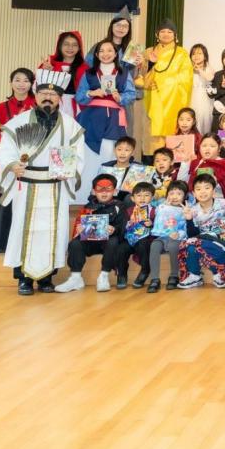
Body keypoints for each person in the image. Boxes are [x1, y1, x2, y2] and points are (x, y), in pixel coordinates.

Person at [0, 68, 84, 295]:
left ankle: (46, 278)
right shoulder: (18, 122)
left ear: (60, 98)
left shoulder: (70, 125)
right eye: (43, 93)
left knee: (53, 231)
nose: (48, 97)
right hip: (27, 185)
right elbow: (6, 150)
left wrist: (69, 170)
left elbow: (78, 154)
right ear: (35, 95)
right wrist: (12, 165)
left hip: (55, 186)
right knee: (23, 230)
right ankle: (23, 279)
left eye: (53, 94)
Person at [0, 67, 37, 252]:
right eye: (17, 80)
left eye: (26, 80)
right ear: (11, 82)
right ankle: (2, 241)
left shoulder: (36, 106)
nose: (21, 84)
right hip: (6, 160)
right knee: (5, 196)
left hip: (32, 160)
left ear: (32, 84)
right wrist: (11, 143)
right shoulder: (1, 107)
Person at [74, 40, 138, 196]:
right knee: (88, 156)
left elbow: (131, 94)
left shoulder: (123, 73)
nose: (105, 54)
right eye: (101, 51)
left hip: (114, 120)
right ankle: (85, 195)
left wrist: (120, 98)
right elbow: (79, 96)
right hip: (91, 118)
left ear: (116, 54)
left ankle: (110, 195)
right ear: (96, 54)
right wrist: (92, 93)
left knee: (111, 154)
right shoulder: (89, 73)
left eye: (110, 50)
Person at [55, 171, 129, 293]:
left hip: (109, 243)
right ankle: (75, 278)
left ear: (115, 191)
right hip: (91, 242)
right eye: (100, 190)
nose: (104, 193)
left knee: (113, 241)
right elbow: (78, 225)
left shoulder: (119, 206)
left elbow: (123, 227)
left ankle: (104, 276)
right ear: (94, 191)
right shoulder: (88, 207)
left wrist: (114, 229)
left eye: (108, 189)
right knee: (75, 243)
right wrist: (80, 229)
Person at [138, 20, 194, 153]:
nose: (166, 34)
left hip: (173, 101)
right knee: (151, 134)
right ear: (157, 34)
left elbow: (186, 78)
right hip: (152, 99)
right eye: (162, 31)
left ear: (175, 35)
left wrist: (165, 84)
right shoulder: (148, 52)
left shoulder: (182, 53)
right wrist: (151, 64)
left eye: (170, 32)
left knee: (173, 131)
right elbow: (139, 75)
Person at [178, 173, 225, 289]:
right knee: (191, 246)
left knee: (192, 244)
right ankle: (196, 276)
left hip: (224, 241)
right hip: (204, 242)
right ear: (194, 193)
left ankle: (218, 273)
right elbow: (193, 235)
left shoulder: (224, 204)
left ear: (214, 191)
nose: (202, 192)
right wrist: (189, 219)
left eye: (207, 188)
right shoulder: (193, 210)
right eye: (198, 189)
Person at [146, 180, 189, 292]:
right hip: (162, 237)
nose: (174, 196)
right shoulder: (162, 206)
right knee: (154, 245)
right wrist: (164, 205)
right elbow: (158, 217)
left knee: (173, 246)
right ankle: (155, 278)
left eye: (179, 194)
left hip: (176, 238)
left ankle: (174, 275)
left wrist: (179, 234)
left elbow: (185, 228)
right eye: (171, 193)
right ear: (167, 195)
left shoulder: (185, 210)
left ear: (185, 196)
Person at [39, 31, 87, 116]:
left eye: (74, 45)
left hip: (77, 107)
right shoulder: (50, 64)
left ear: (79, 48)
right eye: (66, 44)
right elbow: (38, 87)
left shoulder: (84, 67)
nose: (70, 48)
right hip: (52, 104)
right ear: (60, 46)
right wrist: (46, 71)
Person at [122, 180, 157, 288]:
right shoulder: (128, 211)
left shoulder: (155, 211)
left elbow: (160, 228)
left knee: (143, 243)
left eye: (146, 195)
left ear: (152, 197)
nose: (142, 198)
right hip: (131, 239)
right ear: (133, 198)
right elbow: (122, 228)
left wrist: (151, 224)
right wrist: (130, 223)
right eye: (139, 195)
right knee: (121, 249)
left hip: (147, 239)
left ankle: (145, 270)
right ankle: (122, 274)